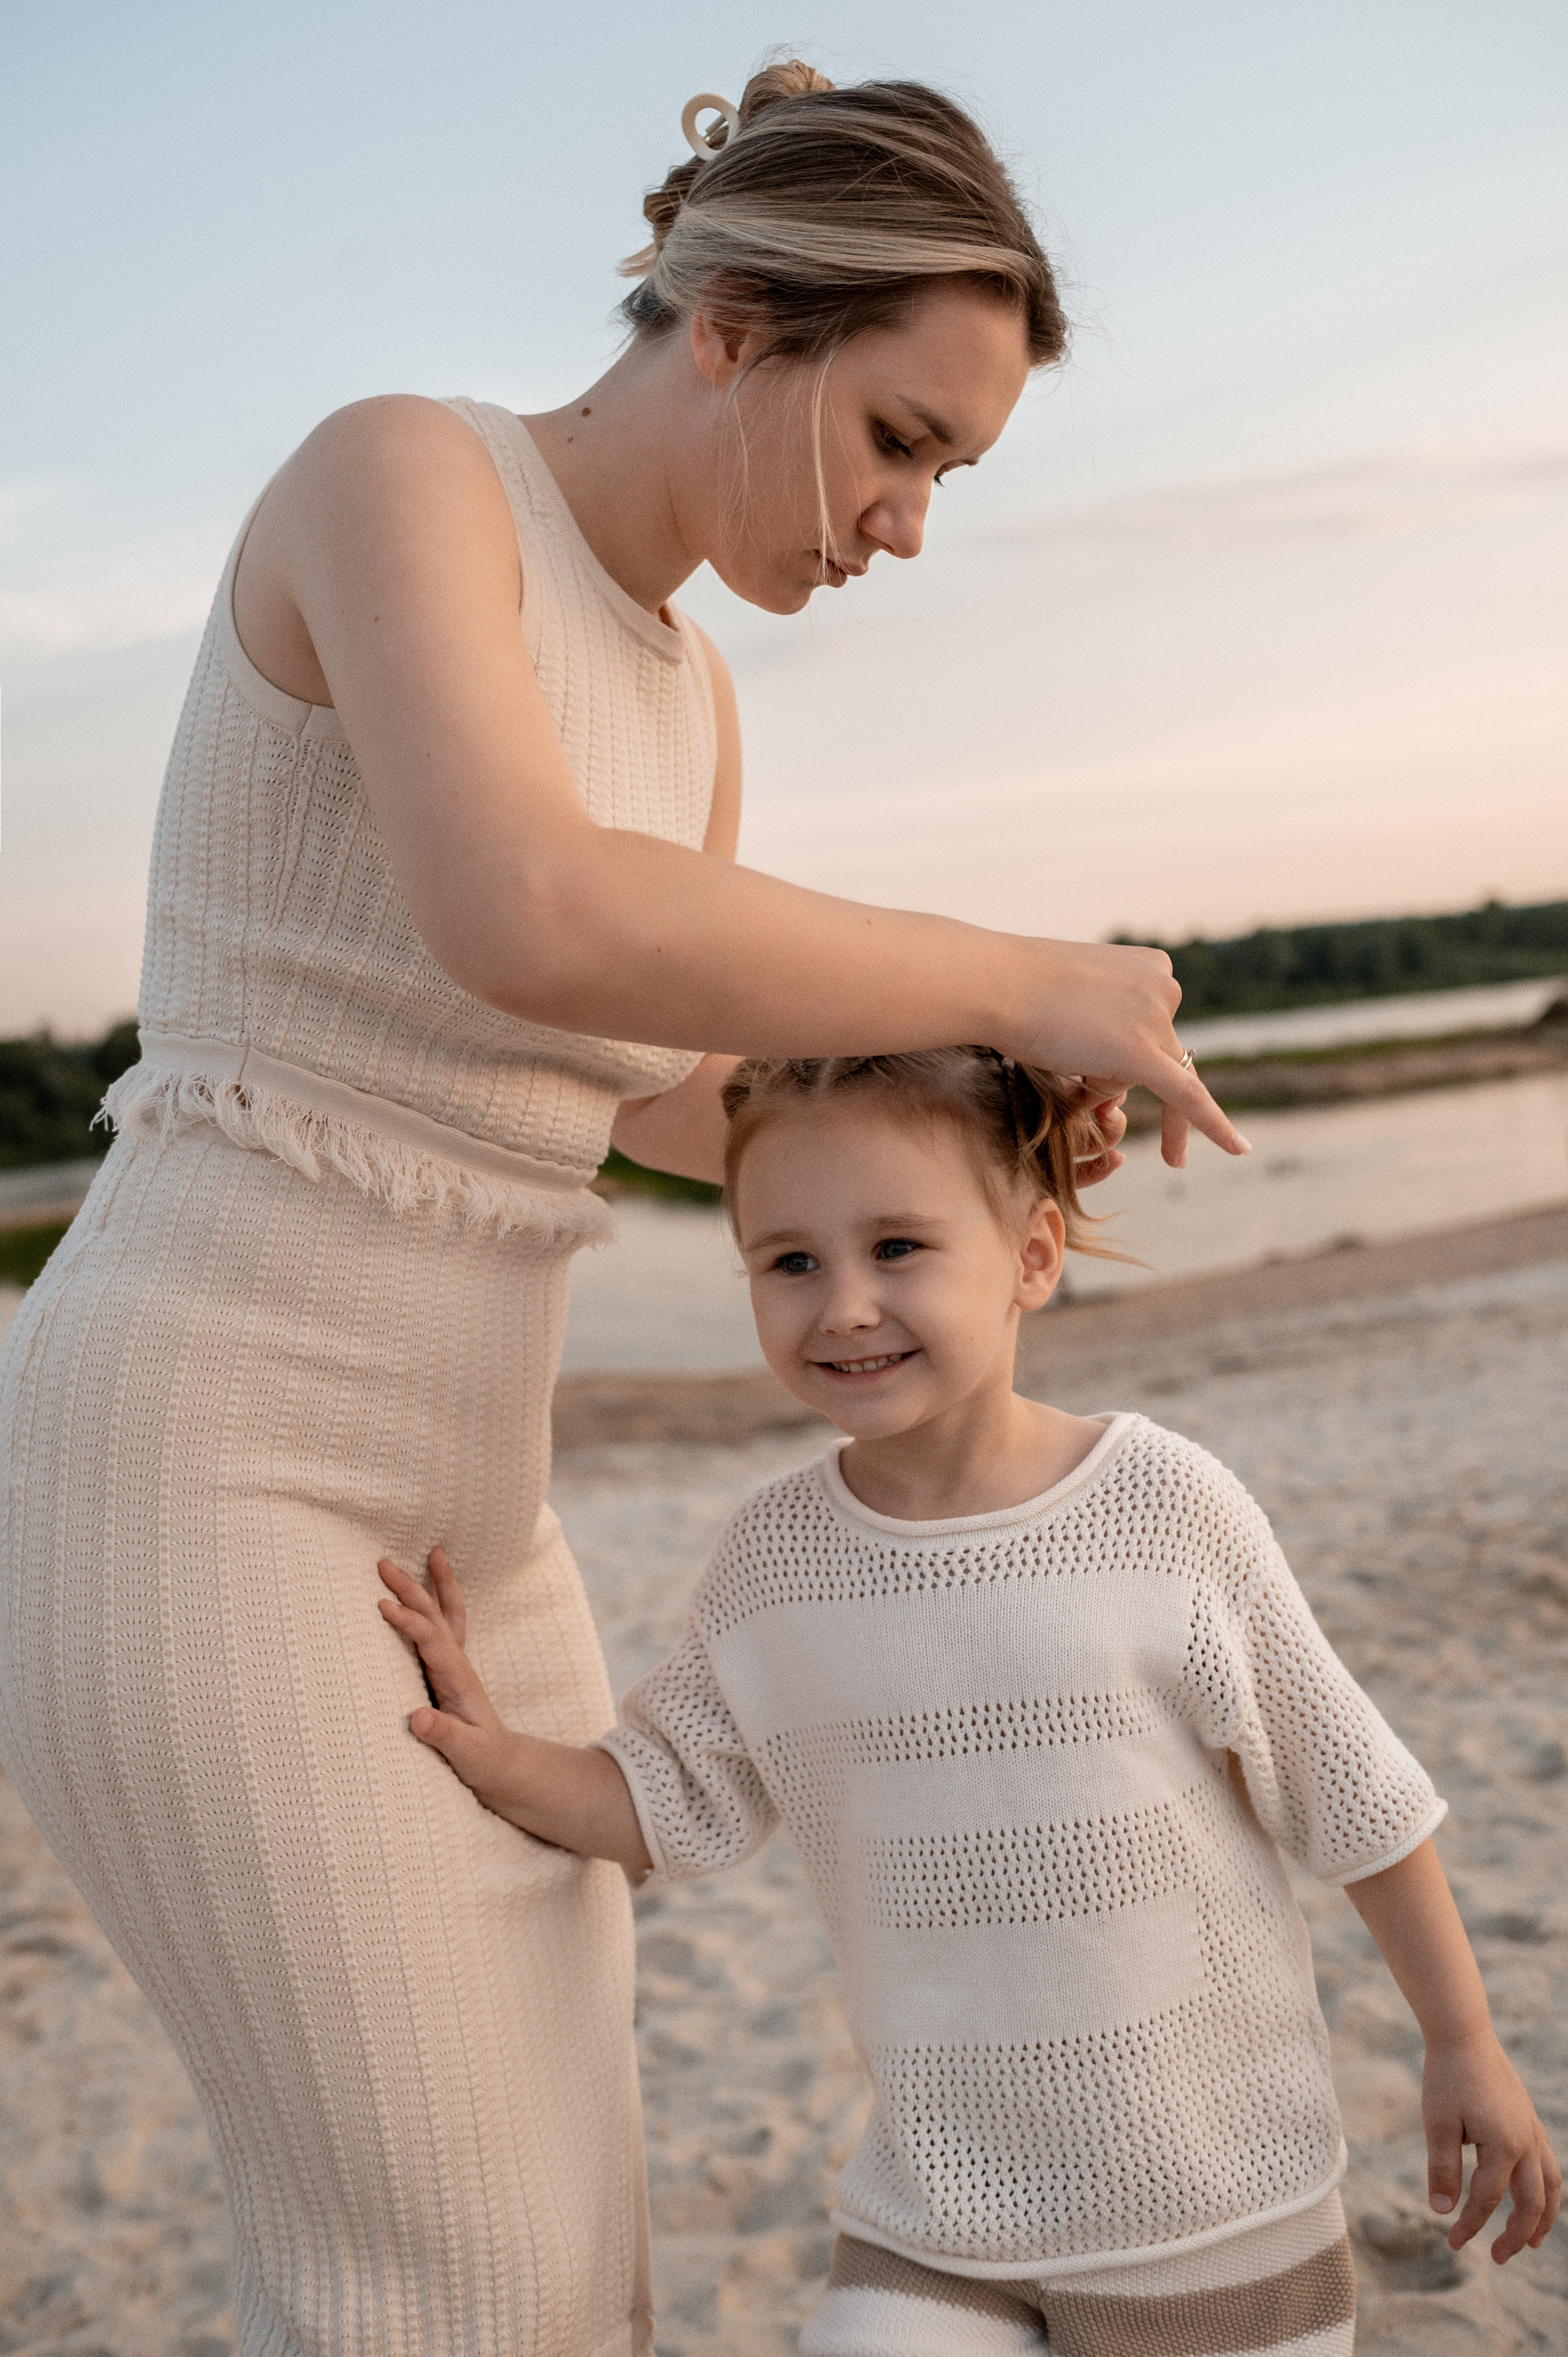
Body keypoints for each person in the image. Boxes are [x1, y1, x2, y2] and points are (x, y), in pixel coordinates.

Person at [0, 58, 1248, 2357]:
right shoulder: (406, 477)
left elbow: (667, 1091)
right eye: (902, 441)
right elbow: (529, 915)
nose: (905, 529)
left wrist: (987, 1115)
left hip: (483, 1532)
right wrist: (1029, 960)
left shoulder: (684, 696)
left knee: (577, 2263)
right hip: (202, 1471)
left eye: (951, 479)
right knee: (433, 2284)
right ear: (741, 318)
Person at [379, 1046, 1561, 2357]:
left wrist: (1462, 2041)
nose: (842, 1307)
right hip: (938, 2214)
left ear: (1031, 1257)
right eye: (789, 1262)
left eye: (896, 1246)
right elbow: (662, 1793)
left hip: (1208, 2205)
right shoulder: (769, 1563)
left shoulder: (1162, 1506)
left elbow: (1358, 1797)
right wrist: (490, 1751)